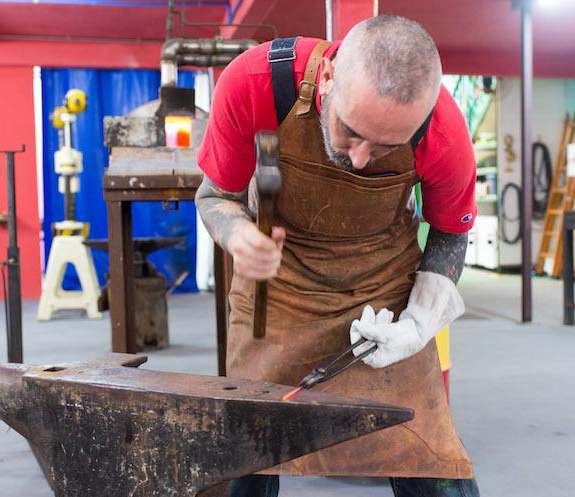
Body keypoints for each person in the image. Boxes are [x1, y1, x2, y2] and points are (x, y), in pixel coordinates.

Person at [195, 15, 480, 497]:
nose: (363, 158)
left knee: (429, 454)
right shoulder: (254, 83)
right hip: (279, 290)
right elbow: (214, 196)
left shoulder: (443, 132)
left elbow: (451, 233)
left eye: (387, 145)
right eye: (351, 132)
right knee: (248, 453)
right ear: (327, 78)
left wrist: (416, 325)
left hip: (381, 294)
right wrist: (237, 235)